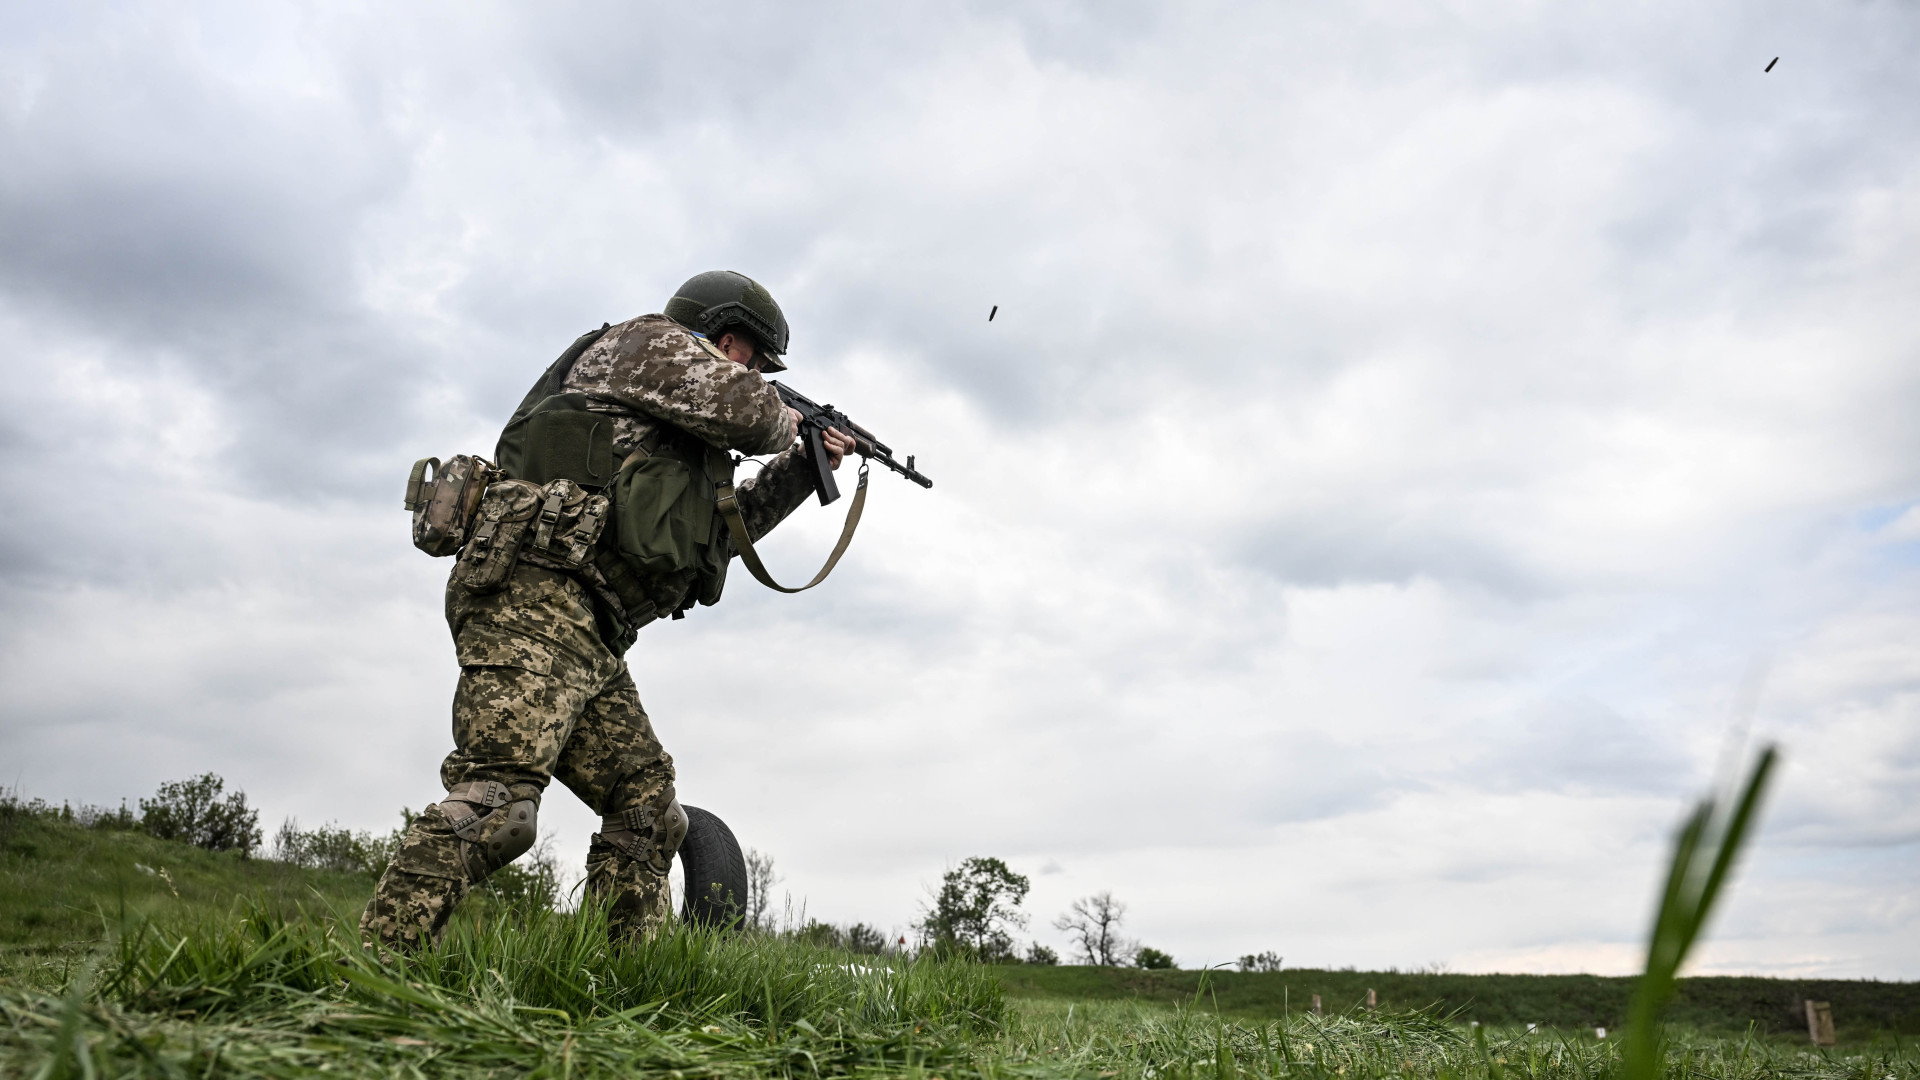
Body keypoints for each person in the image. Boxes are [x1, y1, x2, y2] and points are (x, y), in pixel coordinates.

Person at [361, 270, 854, 949]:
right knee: (499, 803)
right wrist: (790, 421)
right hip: (531, 592)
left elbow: (722, 533)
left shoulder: (680, 429)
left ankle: (615, 984)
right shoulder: (644, 344)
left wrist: (804, 467)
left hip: (592, 627)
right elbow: (754, 413)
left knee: (648, 810)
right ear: (727, 338)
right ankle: (379, 965)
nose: (760, 377)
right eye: (758, 363)